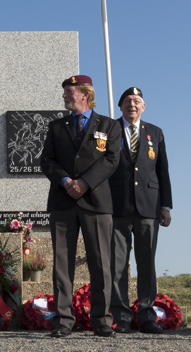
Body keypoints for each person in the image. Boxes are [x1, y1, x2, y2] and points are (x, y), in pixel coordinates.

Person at [40, 75, 121, 338]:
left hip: (96, 202)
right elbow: (47, 161)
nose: (64, 95)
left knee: (101, 263)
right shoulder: (56, 126)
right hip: (63, 202)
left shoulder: (108, 125)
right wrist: (66, 181)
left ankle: (102, 320)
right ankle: (64, 320)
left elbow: (111, 160)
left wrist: (85, 183)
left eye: (69, 91)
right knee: (62, 264)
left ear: (84, 93)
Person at [108, 86, 172, 334]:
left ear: (143, 106)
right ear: (120, 106)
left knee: (147, 264)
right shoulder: (109, 129)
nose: (132, 104)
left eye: (136, 101)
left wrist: (165, 206)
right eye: (127, 101)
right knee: (117, 266)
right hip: (117, 206)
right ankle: (121, 317)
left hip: (149, 206)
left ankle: (147, 316)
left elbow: (163, 171)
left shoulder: (155, 132)